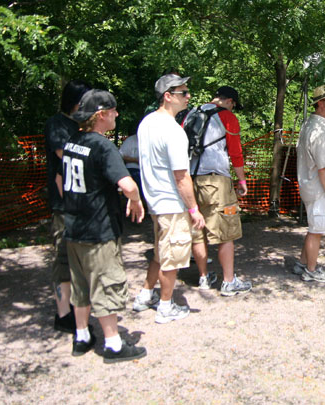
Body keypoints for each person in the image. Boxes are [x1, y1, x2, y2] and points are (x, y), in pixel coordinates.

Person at [60, 89, 146, 362]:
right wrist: (135, 200)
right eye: (113, 110)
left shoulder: (74, 141)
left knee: (81, 286)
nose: (117, 115)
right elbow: (128, 184)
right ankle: (113, 344)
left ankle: (82, 336)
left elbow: (64, 183)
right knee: (106, 284)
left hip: (73, 228)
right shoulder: (102, 146)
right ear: (101, 115)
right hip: (98, 231)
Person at [132, 74, 206, 323]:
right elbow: (181, 176)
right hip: (171, 203)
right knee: (172, 257)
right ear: (168, 96)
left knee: (161, 252)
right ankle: (165, 305)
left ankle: (144, 295)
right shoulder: (174, 130)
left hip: (154, 199)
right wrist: (194, 208)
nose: (188, 97)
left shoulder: (147, 123)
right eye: (183, 93)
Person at [187, 86, 252, 296]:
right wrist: (242, 180)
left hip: (191, 180)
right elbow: (235, 152)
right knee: (227, 231)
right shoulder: (227, 117)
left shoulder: (191, 114)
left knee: (199, 231)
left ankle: (204, 277)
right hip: (217, 182)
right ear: (230, 101)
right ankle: (228, 281)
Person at [44, 79, 91, 334]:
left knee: (81, 260)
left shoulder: (81, 126)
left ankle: (79, 308)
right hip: (65, 204)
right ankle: (63, 314)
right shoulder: (57, 124)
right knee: (63, 257)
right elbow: (65, 154)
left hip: (84, 203)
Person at [293, 85, 325, 283]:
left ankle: (303, 263)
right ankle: (311, 270)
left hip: (312, 186)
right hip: (319, 189)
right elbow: (323, 167)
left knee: (314, 227)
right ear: (320, 103)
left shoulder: (310, 124)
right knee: (316, 231)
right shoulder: (319, 130)